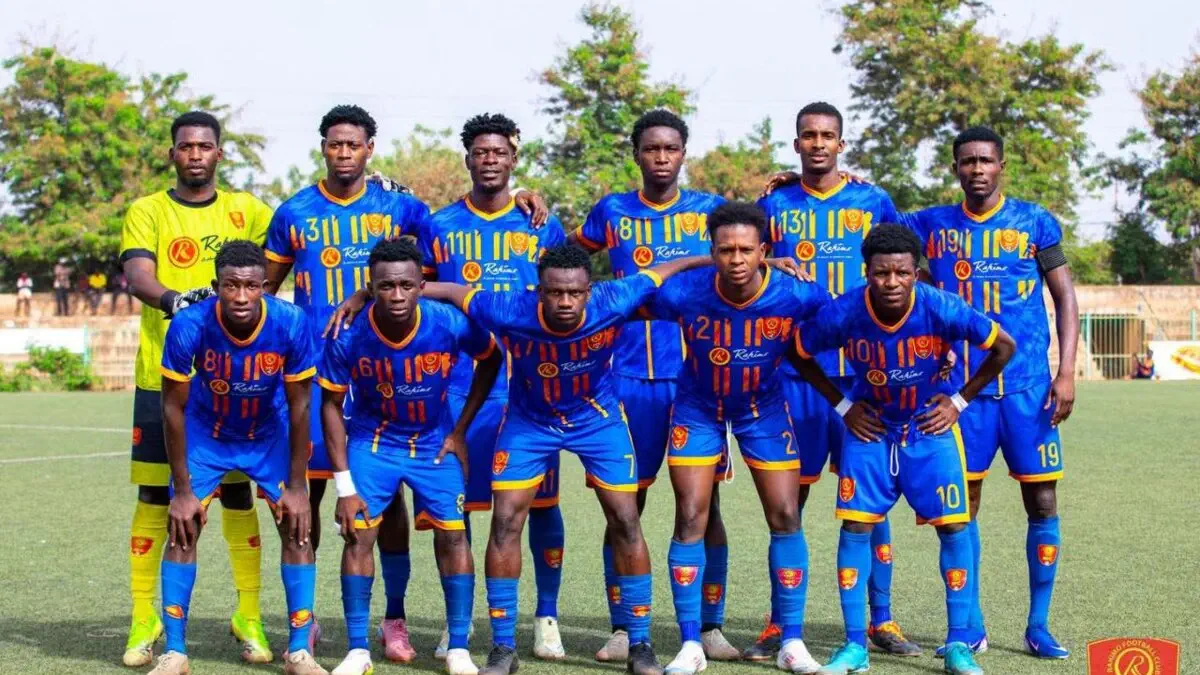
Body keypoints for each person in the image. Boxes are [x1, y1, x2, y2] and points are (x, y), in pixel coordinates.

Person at [269, 106, 549, 660]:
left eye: (354, 144)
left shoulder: (405, 208)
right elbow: (265, 287)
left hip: (398, 383)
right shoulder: (293, 211)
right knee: (304, 500)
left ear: (370, 148)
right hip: (321, 372)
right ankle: (307, 620)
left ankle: (394, 619)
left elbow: (431, 268)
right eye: (334, 144)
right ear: (322, 146)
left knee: (387, 504)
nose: (343, 152)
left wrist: (523, 197)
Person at [422, 244, 721, 675]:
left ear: (589, 290)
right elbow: (451, 290)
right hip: (529, 422)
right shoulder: (507, 307)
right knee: (505, 521)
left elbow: (667, 267)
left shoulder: (614, 298)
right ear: (537, 291)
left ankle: (639, 645)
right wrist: (364, 296)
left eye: (575, 294)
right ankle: (504, 649)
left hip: (597, 419)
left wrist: (749, 262)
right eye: (555, 293)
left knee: (625, 518)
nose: (565, 302)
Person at [788, 224, 1015, 675]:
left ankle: (958, 645)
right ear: (866, 271)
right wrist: (843, 404)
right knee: (855, 527)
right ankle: (855, 645)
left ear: (916, 273)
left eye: (902, 273)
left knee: (953, 528)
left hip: (929, 430)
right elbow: (797, 351)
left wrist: (959, 400)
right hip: (869, 429)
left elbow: (1004, 347)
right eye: (881, 273)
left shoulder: (940, 306)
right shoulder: (845, 312)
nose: (892, 283)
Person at [568, 109, 740, 662]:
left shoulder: (710, 211)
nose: (661, 158)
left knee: (705, 508)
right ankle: (623, 626)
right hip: (621, 382)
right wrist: (531, 203)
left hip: (696, 381)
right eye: (651, 149)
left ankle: (709, 626)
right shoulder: (611, 211)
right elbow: (565, 256)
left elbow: (757, 246)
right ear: (637, 154)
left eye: (670, 149)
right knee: (625, 505)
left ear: (683, 153)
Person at [905, 127, 1079, 659]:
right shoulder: (931, 225)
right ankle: (971, 625)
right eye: (966, 161)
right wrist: (808, 179)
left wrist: (1066, 371)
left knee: (1042, 500)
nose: (976, 169)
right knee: (963, 507)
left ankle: (1038, 625)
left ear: (1001, 165)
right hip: (962, 395)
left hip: (1029, 388)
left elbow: (1067, 298)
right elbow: (869, 220)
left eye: (985, 160)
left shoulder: (1034, 221)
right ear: (955, 168)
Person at [753, 102, 918, 659]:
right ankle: (781, 622)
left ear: (841, 144)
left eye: (827, 135)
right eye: (808, 135)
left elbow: (903, 266)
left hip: (867, 375)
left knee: (869, 501)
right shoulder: (773, 202)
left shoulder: (873, 201)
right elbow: (741, 259)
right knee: (788, 499)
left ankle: (882, 620)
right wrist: (770, 265)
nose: (818, 143)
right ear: (795, 143)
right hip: (795, 373)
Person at [642, 202, 829, 675]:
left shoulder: (797, 294)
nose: (737, 259)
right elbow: (626, 300)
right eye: (725, 250)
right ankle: (691, 643)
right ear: (712, 252)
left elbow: (853, 320)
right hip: (697, 408)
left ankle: (791, 641)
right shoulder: (685, 292)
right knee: (690, 516)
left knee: (786, 514)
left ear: (765, 251)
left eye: (747, 249)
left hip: (762, 410)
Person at [119, 111, 275, 667]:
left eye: (204, 146)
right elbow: (137, 275)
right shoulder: (147, 211)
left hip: (235, 384)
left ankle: (248, 614)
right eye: (185, 147)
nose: (194, 155)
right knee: (156, 496)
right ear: (172, 154)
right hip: (162, 379)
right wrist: (173, 300)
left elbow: (289, 248)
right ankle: (144, 617)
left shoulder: (249, 210)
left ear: (218, 154)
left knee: (236, 493)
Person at [415, 113, 569, 661]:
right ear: (468, 158)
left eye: (500, 152)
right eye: (481, 152)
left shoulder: (540, 224)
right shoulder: (439, 224)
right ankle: (456, 623)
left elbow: (569, 285)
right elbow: (415, 285)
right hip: (456, 386)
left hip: (533, 386)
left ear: (513, 158)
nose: (490, 160)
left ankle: (545, 617)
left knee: (541, 506)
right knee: (450, 508)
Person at [318, 238, 503, 675]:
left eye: (406, 285)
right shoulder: (349, 333)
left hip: (434, 443)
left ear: (422, 284)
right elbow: (329, 405)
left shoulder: (448, 321)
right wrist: (343, 486)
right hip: (373, 444)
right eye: (385, 287)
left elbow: (492, 358)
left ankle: (458, 647)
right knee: (358, 536)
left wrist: (460, 430)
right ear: (370, 286)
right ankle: (358, 649)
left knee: (455, 537)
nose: (396, 296)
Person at [150, 241, 323, 675]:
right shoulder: (189, 325)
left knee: (297, 528)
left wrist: (299, 486)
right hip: (207, 433)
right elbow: (171, 407)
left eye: (250, 286)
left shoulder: (290, 322)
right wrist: (184, 490)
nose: (241, 297)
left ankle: (300, 651)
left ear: (265, 287)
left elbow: (301, 404)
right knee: (182, 529)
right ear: (216, 286)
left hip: (269, 434)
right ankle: (174, 652)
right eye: (231, 286)